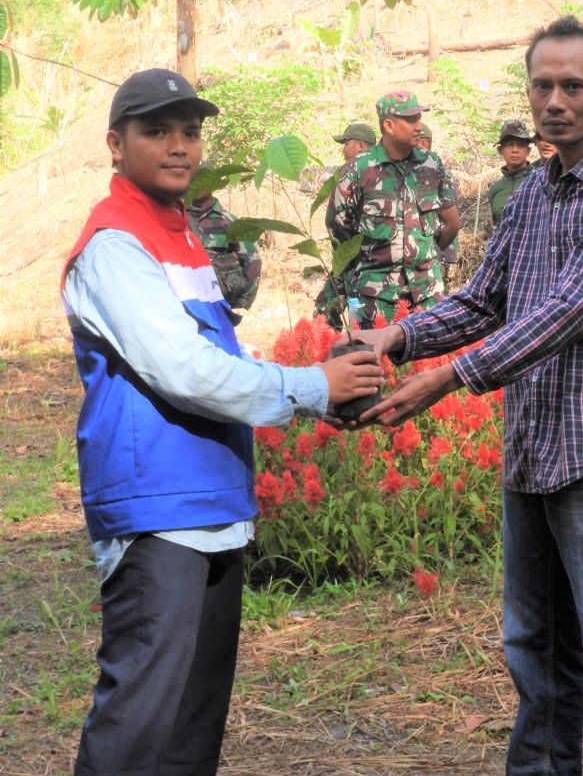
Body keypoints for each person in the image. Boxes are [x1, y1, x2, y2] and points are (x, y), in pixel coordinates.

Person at [348, 16, 583, 775]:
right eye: (542, 86)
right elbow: (482, 300)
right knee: (536, 651)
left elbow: (572, 306)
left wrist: (450, 376)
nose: (555, 101)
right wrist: (396, 337)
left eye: (573, 86)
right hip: (532, 448)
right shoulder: (531, 193)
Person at [61, 68, 382, 776]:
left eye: (190, 130)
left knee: (190, 728)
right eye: (157, 131)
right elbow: (186, 370)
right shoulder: (116, 244)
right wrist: (312, 387)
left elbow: (219, 360)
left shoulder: (180, 235)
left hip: (210, 500)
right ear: (115, 143)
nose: (179, 145)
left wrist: (324, 388)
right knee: (139, 723)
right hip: (157, 507)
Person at [328, 90, 460, 328]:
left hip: (427, 294)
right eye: (410, 120)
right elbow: (338, 228)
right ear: (388, 125)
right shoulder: (359, 169)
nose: (418, 126)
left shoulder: (431, 164)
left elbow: (452, 223)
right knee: (374, 352)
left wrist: (427, 255)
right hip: (376, 298)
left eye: (418, 118)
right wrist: (363, 272)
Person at [314, 122, 376, 328]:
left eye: (346, 143)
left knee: (353, 313)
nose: (343, 149)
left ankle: (347, 340)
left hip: (353, 260)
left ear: (361, 145)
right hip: (377, 259)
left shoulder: (354, 168)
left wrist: (347, 256)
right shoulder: (388, 167)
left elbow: (337, 219)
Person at [187, 171, 262, 320]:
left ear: (213, 184)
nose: (200, 185)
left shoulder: (229, 222)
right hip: (187, 302)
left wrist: (241, 300)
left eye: (204, 180)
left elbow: (252, 260)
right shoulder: (176, 218)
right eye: (195, 180)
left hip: (219, 304)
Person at [415, 121, 461, 293]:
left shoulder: (439, 173)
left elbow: (451, 222)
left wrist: (438, 254)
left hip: (437, 253)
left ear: (424, 143)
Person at [487, 119, 536, 226]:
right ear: (500, 150)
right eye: (509, 145)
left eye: (521, 145)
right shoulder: (495, 188)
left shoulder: (540, 182)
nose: (515, 150)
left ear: (528, 151)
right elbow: (495, 226)